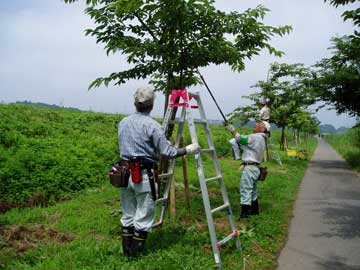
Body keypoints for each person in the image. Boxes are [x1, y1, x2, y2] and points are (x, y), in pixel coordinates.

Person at [118, 87, 200, 257]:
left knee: (128, 212)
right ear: (151, 105)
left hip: (124, 173)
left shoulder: (123, 122)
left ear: (135, 103)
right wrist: (187, 150)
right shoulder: (153, 126)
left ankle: (126, 252)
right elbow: (168, 153)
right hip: (143, 174)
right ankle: (135, 255)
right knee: (144, 213)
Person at [226, 122, 268, 219]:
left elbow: (241, 139)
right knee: (253, 190)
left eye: (258, 124)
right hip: (256, 168)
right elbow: (246, 146)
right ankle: (254, 211)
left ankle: (245, 214)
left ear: (262, 129)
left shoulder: (255, 137)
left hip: (250, 168)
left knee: (245, 190)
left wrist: (233, 130)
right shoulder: (261, 139)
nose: (255, 124)